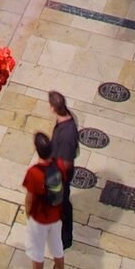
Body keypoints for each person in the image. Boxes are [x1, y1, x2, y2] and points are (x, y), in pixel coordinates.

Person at [20, 130, 69, 269]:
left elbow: (29, 198)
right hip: (56, 216)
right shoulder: (59, 165)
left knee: (37, 250)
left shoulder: (34, 172)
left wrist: (28, 215)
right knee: (57, 246)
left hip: (39, 219)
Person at [48, 92, 81, 253]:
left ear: (53, 108)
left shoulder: (68, 133)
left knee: (62, 205)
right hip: (56, 170)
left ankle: (65, 238)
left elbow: (67, 162)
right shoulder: (64, 119)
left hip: (61, 175)